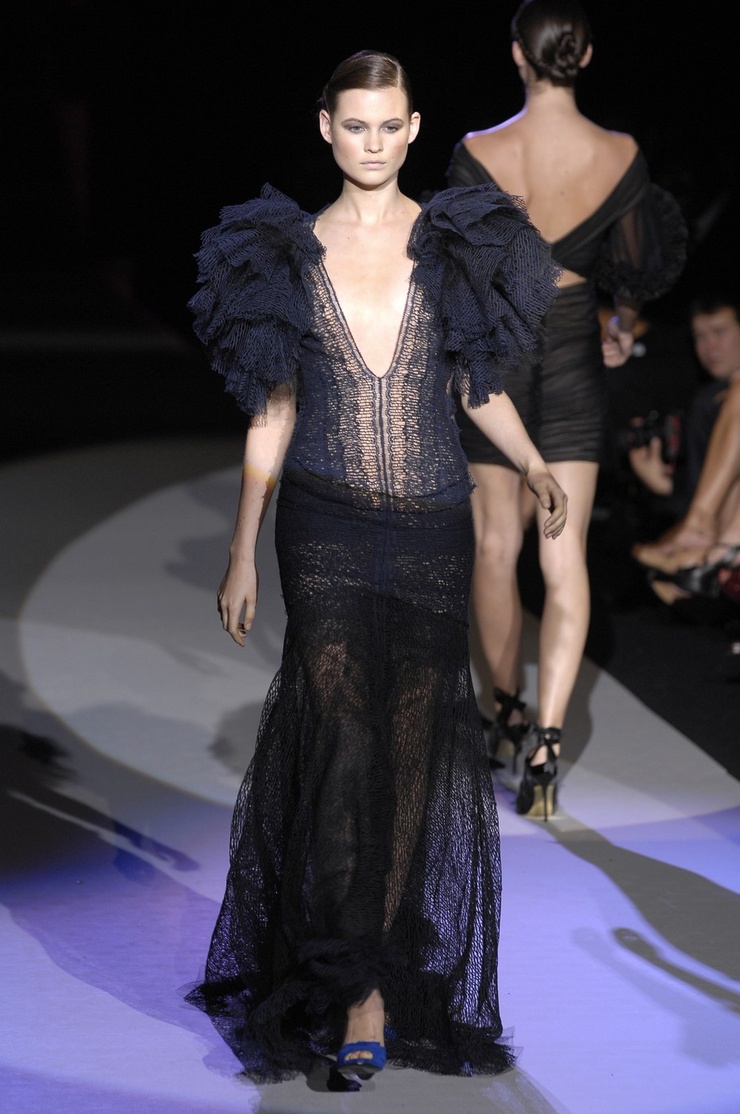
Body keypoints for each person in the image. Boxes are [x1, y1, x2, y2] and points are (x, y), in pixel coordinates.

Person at [184, 49, 567, 1087]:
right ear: (326, 127)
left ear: (412, 129)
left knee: (410, 753)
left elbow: (476, 381)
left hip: (435, 525)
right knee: (343, 747)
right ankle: (352, 979)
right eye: (354, 124)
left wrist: (533, 461)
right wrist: (240, 545)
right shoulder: (285, 251)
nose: (371, 142)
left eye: (388, 125)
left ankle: (376, 974)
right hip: (322, 526)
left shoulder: (450, 243)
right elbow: (273, 409)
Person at [445, 0, 687, 817]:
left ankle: (503, 715)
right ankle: (548, 745)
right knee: (564, 550)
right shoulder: (619, 154)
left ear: (517, 54)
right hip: (579, 351)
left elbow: (459, 277)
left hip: (501, 351)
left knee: (494, 543)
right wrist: (621, 327)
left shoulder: (479, 152)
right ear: (583, 57)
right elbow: (636, 266)